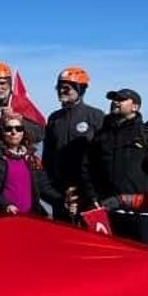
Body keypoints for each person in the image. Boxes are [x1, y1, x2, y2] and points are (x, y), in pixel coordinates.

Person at [80, 88, 148, 212]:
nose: (115, 102)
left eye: (121, 99)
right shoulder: (101, 134)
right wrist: (92, 196)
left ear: (135, 107)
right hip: (106, 205)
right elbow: (87, 167)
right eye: (114, 99)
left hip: (140, 207)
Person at [42, 66, 105, 221]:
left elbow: (103, 156)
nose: (61, 91)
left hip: (89, 192)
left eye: (66, 88)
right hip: (60, 191)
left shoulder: (96, 116)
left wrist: (95, 192)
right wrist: (52, 190)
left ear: (80, 90)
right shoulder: (54, 118)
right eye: (59, 87)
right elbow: (47, 156)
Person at [0, 110, 62, 216]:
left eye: (18, 129)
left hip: (28, 218)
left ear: (23, 132)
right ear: (1, 132)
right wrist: (4, 205)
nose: (14, 132)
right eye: (8, 129)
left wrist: (63, 201)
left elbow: (44, 188)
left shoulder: (32, 159)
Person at [0, 62, 44, 139]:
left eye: (2, 83)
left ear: (9, 84)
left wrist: (18, 120)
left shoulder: (22, 103)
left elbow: (41, 133)